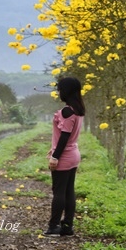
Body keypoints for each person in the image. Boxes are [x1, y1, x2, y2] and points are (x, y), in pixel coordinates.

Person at [44, 76, 86, 236]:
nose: (59, 92)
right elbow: (64, 136)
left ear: (66, 91)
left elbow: (64, 136)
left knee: (59, 192)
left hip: (65, 156)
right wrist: (53, 149)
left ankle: (54, 226)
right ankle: (67, 226)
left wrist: (55, 156)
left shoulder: (67, 112)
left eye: (60, 89)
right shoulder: (78, 110)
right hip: (73, 154)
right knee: (69, 191)